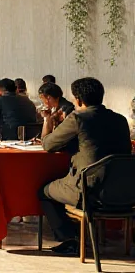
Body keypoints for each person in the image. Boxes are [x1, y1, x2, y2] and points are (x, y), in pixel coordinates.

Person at [39, 77, 132, 256]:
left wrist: (47, 121)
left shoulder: (77, 118)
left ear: (79, 99)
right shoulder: (120, 120)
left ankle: (69, 239)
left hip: (90, 191)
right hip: (124, 191)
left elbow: (48, 144)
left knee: (44, 191)